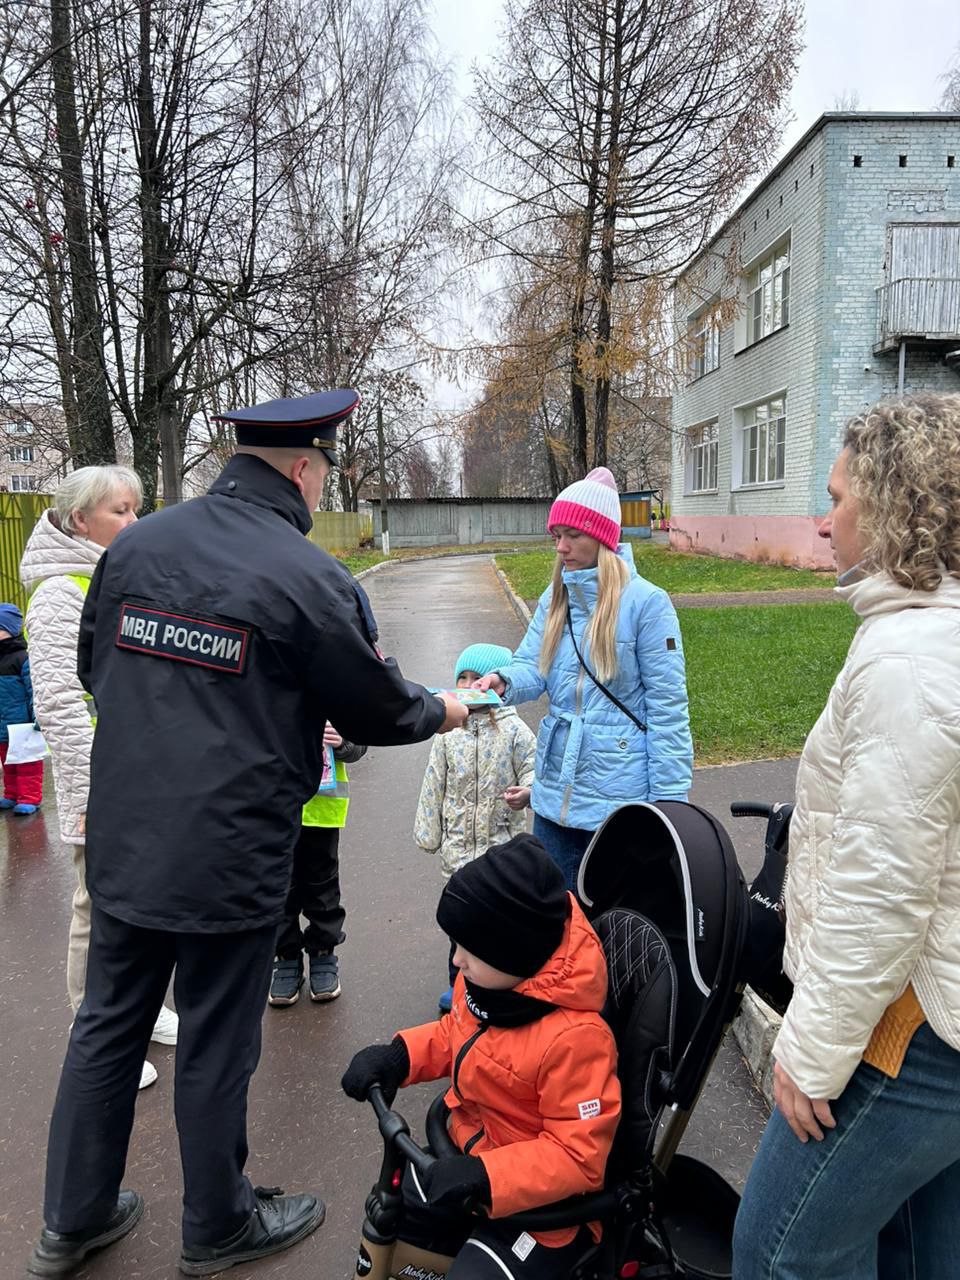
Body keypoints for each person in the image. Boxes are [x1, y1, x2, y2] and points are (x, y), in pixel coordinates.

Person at [27, 389, 469, 1279]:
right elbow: (373, 706)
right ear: (307, 469)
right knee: (219, 1036)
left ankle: (70, 1219)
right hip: (227, 855)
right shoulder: (306, 575)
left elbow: (94, 670)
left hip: (125, 837)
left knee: (108, 1024)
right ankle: (218, 1224)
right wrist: (446, 709)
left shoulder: (135, 546)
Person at [733, 394, 960, 1280]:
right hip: (943, 1014)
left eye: (836, 499)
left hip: (913, 1024)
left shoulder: (907, 662)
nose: (823, 524)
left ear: (895, 504)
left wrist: (811, 1054)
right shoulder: (929, 638)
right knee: (920, 1251)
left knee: (783, 1250)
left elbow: (885, 889)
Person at [342, 834, 621, 1279]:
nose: (457, 961)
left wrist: (487, 1175)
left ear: (514, 951)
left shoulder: (577, 1040)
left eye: (469, 951)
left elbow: (577, 1156)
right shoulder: (488, 987)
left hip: (543, 1211)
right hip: (468, 1151)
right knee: (394, 1215)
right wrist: (399, 1057)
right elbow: (455, 1035)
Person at [20, 466, 177, 1090]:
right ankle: (97, 1032)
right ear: (79, 519)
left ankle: (142, 1012)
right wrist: (95, 796)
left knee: (145, 905)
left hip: (143, 777)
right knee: (99, 906)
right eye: (121, 512)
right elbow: (60, 701)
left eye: (137, 511)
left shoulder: (112, 574)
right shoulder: (62, 591)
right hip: (108, 786)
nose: (134, 524)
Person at [475, 467, 692, 890]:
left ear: (602, 536)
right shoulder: (555, 600)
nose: (561, 547)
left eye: (572, 534)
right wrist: (502, 681)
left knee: (612, 921)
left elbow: (668, 711)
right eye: (556, 535)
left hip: (621, 797)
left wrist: (670, 807)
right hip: (556, 790)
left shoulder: (647, 604)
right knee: (554, 917)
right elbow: (530, 666)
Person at [415, 642, 536, 1011]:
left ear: (497, 684)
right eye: (462, 678)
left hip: (498, 850)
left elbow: (534, 767)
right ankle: (459, 991)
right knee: (461, 926)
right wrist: (428, 832)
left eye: (477, 679)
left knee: (496, 926)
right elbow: (434, 782)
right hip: (458, 852)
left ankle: (497, 990)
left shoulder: (515, 732)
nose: (468, 685)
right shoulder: (449, 732)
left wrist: (529, 791)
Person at [268, 721, 366, 1006]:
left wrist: (342, 742)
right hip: (272, 810)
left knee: (322, 886)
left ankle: (323, 952)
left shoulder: (333, 689)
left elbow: (361, 741)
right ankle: (286, 957)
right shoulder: (266, 687)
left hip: (321, 810)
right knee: (278, 887)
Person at [0, 602, 43, 814]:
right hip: (2, 724)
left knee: (27, 763)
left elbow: (33, 688)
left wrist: (37, 714)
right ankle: (11, 794)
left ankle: (30, 797)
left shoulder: (22, 659)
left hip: (22, 724)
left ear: (10, 630)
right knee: (8, 763)